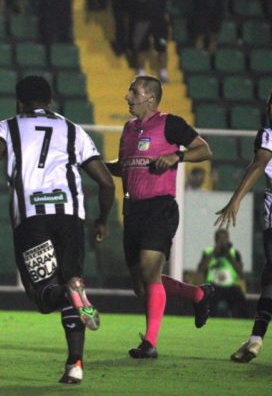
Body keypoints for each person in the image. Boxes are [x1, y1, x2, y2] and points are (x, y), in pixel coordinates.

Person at [0, 75, 115, 384]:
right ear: (50, 102)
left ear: (19, 102)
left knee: (44, 295)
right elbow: (106, 182)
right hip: (70, 216)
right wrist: (102, 219)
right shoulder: (72, 129)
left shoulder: (7, 127)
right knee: (70, 284)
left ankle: (69, 292)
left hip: (32, 217)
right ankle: (75, 364)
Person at [106, 76, 215, 359]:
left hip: (159, 207)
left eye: (134, 91)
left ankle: (150, 343)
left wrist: (177, 156)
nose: (127, 96)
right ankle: (197, 295)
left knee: (147, 269)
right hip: (133, 210)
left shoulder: (170, 123)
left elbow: (204, 149)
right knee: (141, 283)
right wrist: (96, 166)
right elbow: (125, 167)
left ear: (150, 98)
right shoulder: (128, 129)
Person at [214, 90, 272, 363]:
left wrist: (235, 199)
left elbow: (260, 161)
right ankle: (256, 339)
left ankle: (256, 339)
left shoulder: (268, 133)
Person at [196, 229, 249, 318]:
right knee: (208, 301)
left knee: (240, 300)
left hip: (231, 286)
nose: (222, 242)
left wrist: (228, 255)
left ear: (228, 239)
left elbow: (240, 274)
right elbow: (200, 270)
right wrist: (213, 253)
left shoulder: (234, 253)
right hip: (213, 286)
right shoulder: (208, 252)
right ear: (215, 240)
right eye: (219, 240)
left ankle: (242, 321)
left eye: (224, 239)